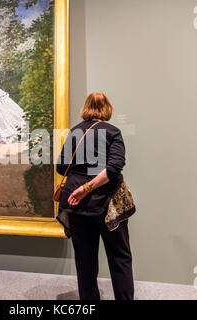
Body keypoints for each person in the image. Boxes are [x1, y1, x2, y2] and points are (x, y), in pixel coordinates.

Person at [56, 93, 134, 300]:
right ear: (107, 109)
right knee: (120, 257)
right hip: (108, 204)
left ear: (86, 108)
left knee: (85, 261)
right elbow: (115, 166)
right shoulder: (113, 132)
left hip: (76, 203)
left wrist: (82, 185)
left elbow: (61, 167)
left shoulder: (75, 132)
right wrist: (89, 186)